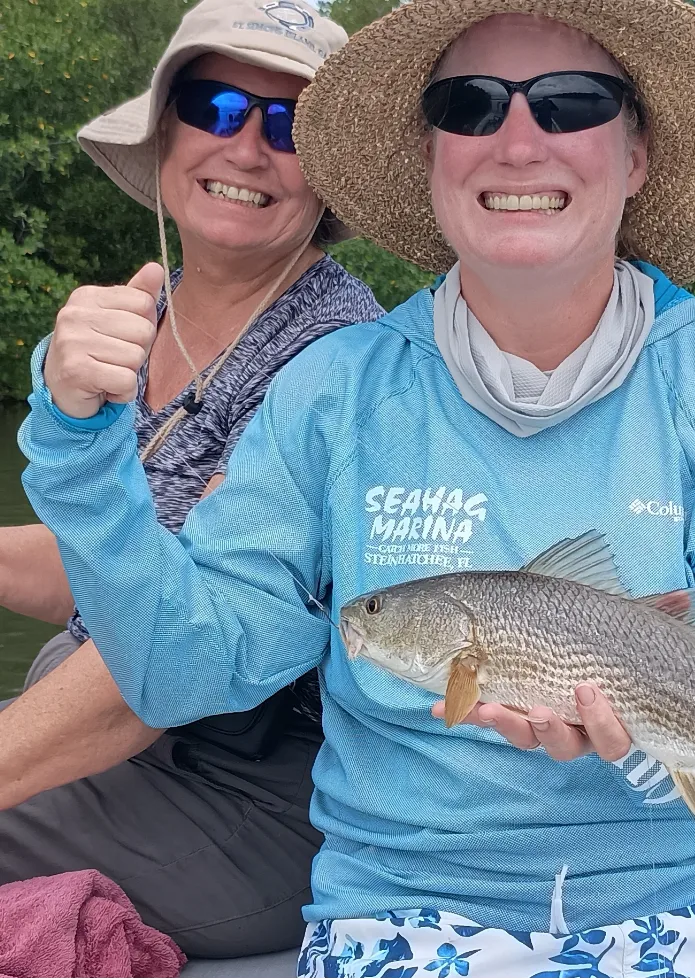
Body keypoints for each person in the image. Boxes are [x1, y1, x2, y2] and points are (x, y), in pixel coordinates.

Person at [20, 0, 695, 975]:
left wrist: (633, 730)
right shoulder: (333, 391)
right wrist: (79, 443)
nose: (517, 141)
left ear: (637, 155)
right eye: (469, 104)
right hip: (406, 910)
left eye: (571, 101)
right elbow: (174, 670)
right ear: (431, 157)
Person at [0, 0, 384, 960]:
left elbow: (170, 659)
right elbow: (110, 562)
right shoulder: (140, 316)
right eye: (215, 106)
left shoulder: (338, 362)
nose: (246, 147)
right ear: (166, 130)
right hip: (132, 750)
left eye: (289, 123)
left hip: (264, 793)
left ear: (330, 173)